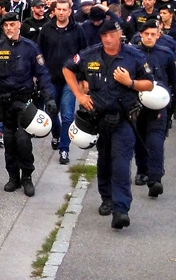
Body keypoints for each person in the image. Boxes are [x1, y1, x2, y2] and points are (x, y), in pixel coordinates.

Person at [65, 19, 153, 229]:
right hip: (100, 118)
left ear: (119, 34)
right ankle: (107, 198)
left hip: (124, 119)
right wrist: (80, 95)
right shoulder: (90, 54)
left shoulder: (134, 56)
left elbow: (149, 84)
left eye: (111, 35)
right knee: (104, 161)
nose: (107, 39)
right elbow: (67, 69)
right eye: (104, 36)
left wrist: (130, 83)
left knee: (121, 163)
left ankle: (121, 209)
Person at [0, 13, 56, 197]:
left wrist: (49, 97)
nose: (9, 28)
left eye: (12, 24)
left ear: (19, 25)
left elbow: (43, 74)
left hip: (25, 101)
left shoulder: (30, 48)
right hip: (4, 102)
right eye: (6, 25)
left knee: (23, 140)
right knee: (9, 140)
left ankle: (27, 177)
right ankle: (13, 177)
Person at [132, 20, 176, 197]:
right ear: (141, 35)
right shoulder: (132, 53)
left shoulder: (166, 53)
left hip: (159, 105)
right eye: (146, 34)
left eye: (153, 34)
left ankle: (155, 179)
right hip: (136, 104)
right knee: (139, 139)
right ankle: (142, 170)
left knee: (155, 141)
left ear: (158, 35)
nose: (149, 37)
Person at [37, 0, 87, 165]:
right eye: (58, 9)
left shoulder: (78, 30)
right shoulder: (46, 29)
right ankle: (56, 135)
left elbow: (84, 54)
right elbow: (39, 53)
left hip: (70, 80)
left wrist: (83, 77)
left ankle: (64, 149)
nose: (61, 12)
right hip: (50, 78)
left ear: (70, 11)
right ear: (54, 10)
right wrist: (38, 74)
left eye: (64, 9)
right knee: (51, 113)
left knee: (66, 115)